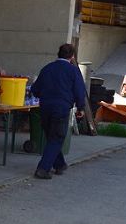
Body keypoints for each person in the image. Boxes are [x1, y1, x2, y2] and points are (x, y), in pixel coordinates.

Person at [30, 43, 86, 180]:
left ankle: (60, 164)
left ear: (58, 54)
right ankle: (43, 169)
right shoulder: (73, 71)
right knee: (57, 137)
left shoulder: (47, 68)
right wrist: (81, 108)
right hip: (61, 108)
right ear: (72, 56)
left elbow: (35, 89)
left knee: (52, 136)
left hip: (45, 107)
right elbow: (79, 90)